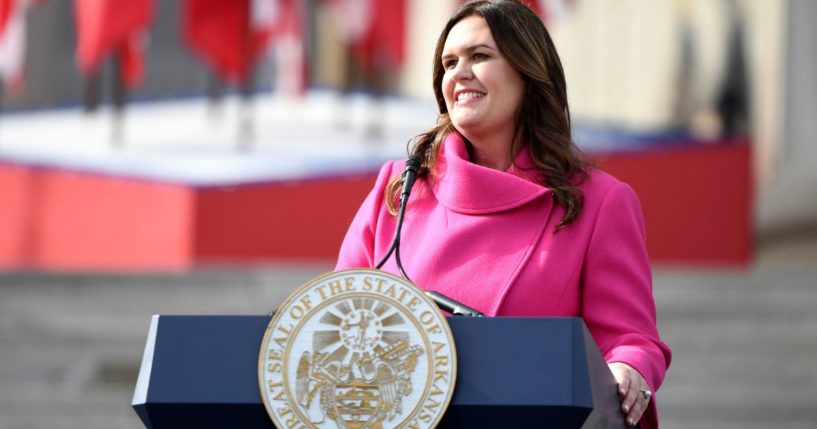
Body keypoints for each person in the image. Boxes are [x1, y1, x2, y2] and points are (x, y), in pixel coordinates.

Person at [335, 1, 672, 427]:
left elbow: (629, 336)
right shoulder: (399, 189)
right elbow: (337, 315)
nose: (458, 73)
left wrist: (628, 373)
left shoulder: (599, 201)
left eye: (480, 56)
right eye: (449, 62)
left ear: (528, 72)